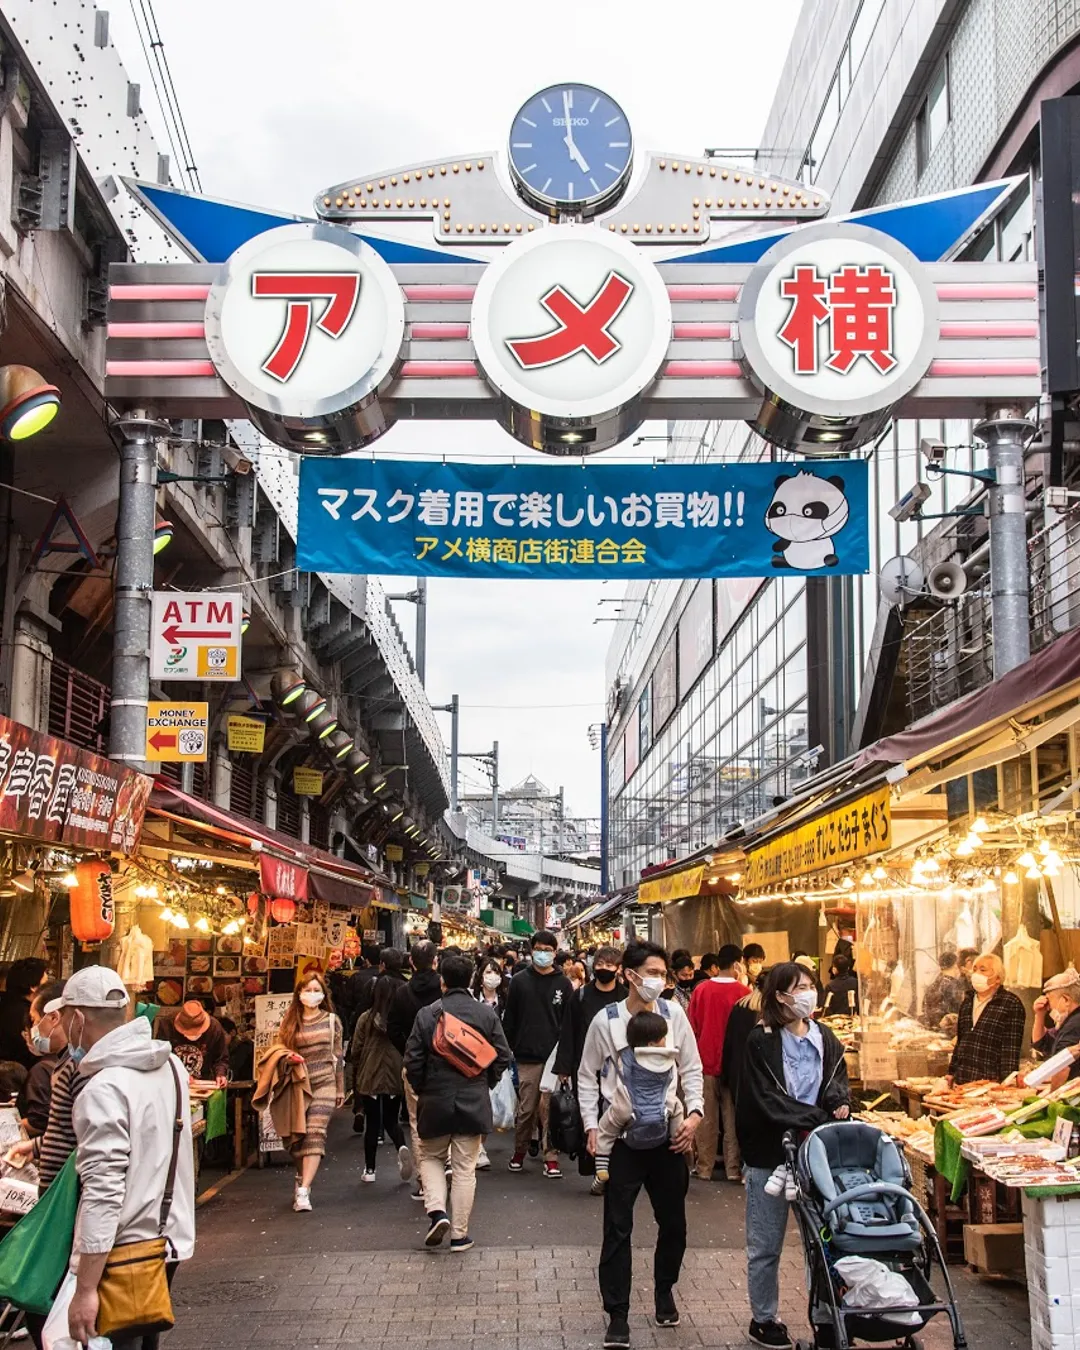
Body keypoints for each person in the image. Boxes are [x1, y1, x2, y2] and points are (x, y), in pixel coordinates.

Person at [59, 966, 195, 1350]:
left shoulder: (103, 1089)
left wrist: (85, 1288)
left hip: (122, 1254)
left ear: (79, 1018)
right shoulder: (171, 1067)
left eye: (65, 1016)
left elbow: (103, 1191)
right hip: (168, 1239)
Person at [579, 941, 704, 1349]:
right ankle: (617, 1314)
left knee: (675, 1224)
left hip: (669, 1137)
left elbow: (691, 1067)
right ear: (629, 974)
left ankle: (664, 1288)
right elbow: (586, 1076)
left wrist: (694, 1115)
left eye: (662, 974)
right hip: (623, 1141)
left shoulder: (674, 1014)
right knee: (617, 1227)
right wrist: (591, 1127)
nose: (658, 981)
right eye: (651, 973)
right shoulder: (606, 1020)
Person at [736, 961, 851, 1350]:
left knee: (821, 1240)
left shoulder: (826, 1036)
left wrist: (838, 1104)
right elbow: (765, 1099)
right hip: (770, 1154)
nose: (807, 993)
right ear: (779, 996)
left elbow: (837, 1080)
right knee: (766, 1242)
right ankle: (764, 1319)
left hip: (817, 1154)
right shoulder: (760, 1040)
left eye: (809, 985)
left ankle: (826, 1316)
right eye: (797, 987)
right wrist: (816, 1116)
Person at [404, 953, 511, 1252]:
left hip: (434, 1099)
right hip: (472, 1097)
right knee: (465, 1168)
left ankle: (437, 1212)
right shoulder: (485, 1015)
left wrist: (422, 1087)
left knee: (430, 1157)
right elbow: (502, 1055)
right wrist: (484, 1082)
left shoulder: (428, 1014)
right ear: (472, 980)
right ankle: (460, 1236)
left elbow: (412, 1060)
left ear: (442, 981)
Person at [554, 945, 626, 1187]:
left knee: (615, 1116)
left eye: (609, 965)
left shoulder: (626, 997)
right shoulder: (581, 996)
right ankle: (597, 1167)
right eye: (600, 965)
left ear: (618, 969)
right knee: (591, 1115)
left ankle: (611, 1168)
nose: (604, 969)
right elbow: (568, 1032)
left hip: (619, 1068)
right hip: (585, 1065)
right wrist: (563, 1068)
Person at [503, 929, 573, 1177]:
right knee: (527, 1108)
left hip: (554, 1056)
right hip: (526, 1055)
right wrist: (508, 1049)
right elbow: (509, 1019)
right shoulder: (520, 981)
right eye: (539, 949)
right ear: (531, 951)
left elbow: (569, 1024)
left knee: (550, 1109)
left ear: (555, 953)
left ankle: (550, 1156)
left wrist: (566, 1059)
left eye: (548, 950)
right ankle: (520, 1150)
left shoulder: (563, 983)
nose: (543, 954)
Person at [272, 973, 344, 1212]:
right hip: (298, 1085)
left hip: (325, 1082)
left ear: (323, 993)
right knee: (297, 1139)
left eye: (316, 989)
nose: (312, 994)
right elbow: (278, 1050)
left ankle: (304, 1190)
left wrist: (340, 1088)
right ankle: (302, 1179)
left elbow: (338, 1057)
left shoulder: (332, 1021)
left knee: (315, 1132)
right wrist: (289, 1057)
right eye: (308, 989)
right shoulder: (290, 1021)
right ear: (299, 994)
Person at [593, 1010, 684, 1184]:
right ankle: (676, 1140)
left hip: (628, 1103)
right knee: (676, 1107)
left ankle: (602, 1163)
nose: (666, 1041)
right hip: (662, 1104)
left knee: (607, 1128)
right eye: (663, 1037)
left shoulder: (626, 1055)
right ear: (652, 1043)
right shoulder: (667, 1058)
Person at [688, 943, 748, 1183]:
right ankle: (733, 1168)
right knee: (732, 1118)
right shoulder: (744, 993)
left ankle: (704, 1167)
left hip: (705, 1061)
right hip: (735, 1066)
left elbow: (693, 1026)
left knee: (706, 1118)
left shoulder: (701, 991)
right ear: (736, 964)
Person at [388, 940, 444, 1190]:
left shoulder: (401, 992)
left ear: (411, 962)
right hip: (446, 1063)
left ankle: (424, 1180)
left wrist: (409, 1050)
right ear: (435, 961)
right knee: (446, 1117)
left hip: (413, 1064)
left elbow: (393, 1029)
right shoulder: (445, 990)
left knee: (416, 1121)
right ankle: (445, 1166)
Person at [351, 963, 412, 1185]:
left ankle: (370, 1169)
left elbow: (356, 1050)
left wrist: (356, 1074)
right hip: (395, 1074)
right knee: (391, 1119)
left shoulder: (366, 1019)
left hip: (371, 1074)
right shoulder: (398, 1020)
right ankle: (401, 1146)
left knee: (373, 1124)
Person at [948, 952, 1026, 1085]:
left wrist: (1006, 1083)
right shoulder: (967, 1002)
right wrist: (951, 1073)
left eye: (982, 970)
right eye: (974, 969)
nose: (976, 974)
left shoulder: (1010, 1004)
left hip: (990, 1082)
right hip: (962, 1081)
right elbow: (960, 1042)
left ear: (997, 978)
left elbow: (1011, 1048)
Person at [20, 980, 65, 1137]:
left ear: (54, 1018)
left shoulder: (44, 1069)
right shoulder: (69, 1063)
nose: (34, 1030)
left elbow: (39, 1122)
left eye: (35, 1021)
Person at [155, 1000, 229, 1084]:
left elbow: (221, 1058)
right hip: (173, 1083)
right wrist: (180, 1074)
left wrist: (220, 1074)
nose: (193, 1034)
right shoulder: (167, 1025)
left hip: (203, 1083)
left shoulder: (214, 1028)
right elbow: (160, 1058)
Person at [1030, 967, 1080, 1085]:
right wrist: (1039, 1015)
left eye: (1050, 1000)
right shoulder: (1070, 1021)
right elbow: (1041, 1044)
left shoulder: (1073, 1026)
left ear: (1066, 1000)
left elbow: (1062, 1068)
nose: (1049, 1007)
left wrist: (1051, 1097)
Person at [0, 956, 47, 1066]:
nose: (48, 988)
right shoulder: (28, 1014)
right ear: (33, 987)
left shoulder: (5, 1003)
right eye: (45, 982)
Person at [922, 951, 967, 1030]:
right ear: (955, 965)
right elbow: (959, 1012)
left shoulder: (932, 985)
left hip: (931, 1031)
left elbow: (924, 1008)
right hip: (949, 1032)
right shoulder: (955, 986)